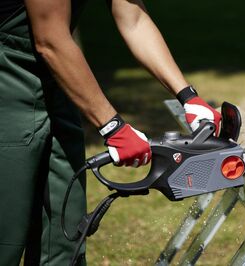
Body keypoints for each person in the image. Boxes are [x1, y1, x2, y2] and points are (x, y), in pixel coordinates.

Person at [0, 0, 221, 265]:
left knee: (62, 234)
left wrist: (187, 96)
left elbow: (133, 18)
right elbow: (50, 40)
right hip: (9, 80)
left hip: (57, 82)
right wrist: (113, 126)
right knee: (6, 229)